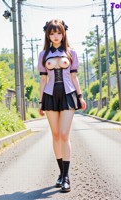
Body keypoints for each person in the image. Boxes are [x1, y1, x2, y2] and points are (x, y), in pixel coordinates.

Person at [37, 19, 86, 193]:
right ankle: (60, 173)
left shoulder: (71, 52)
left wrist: (80, 97)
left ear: (63, 33)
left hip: (68, 95)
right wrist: (41, 101)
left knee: (64, 134)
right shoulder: (43, 54)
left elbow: (74, 77)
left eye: (58, 32)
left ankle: (66, 177)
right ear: (48, 35)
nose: (55, 36)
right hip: (50, 96)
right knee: (56, 135)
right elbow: (43, 80)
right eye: (52, 33)